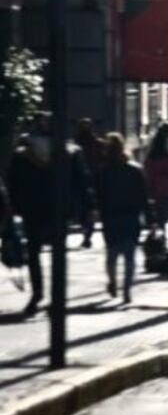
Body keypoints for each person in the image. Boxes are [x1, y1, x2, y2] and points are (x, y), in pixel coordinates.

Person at [6, 113, 96, 314]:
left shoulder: (23, 152)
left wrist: (13, 206)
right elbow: (83, 181)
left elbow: (12, 181)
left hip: (32, 208)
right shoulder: (69, 151)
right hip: (59, 208)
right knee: (58, 254)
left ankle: (37, 293)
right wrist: (88, 207)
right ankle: (57, 295)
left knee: (34, 253)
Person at [99, 134, 148, 303]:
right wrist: (150, 218)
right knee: (129, 257)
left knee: (112, 255)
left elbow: (100, 196)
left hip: (111, 217)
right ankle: (127, 290)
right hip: (131, 216)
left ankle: (113, 282)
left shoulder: (104, 171)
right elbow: (143, 196)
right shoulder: (135, 170)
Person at [144, 123, 168, 231]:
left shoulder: (154, 147)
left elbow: (149, 170)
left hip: (158, 188)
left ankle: (161, 235)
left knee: (162, 214)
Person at [75, 118, 106, 248]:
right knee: (90, 208)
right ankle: (87, 232)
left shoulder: (77, 144)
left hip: (85, 179)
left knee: (86, 208)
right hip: (90, 179)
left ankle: (87, 232)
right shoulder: (96, 143)